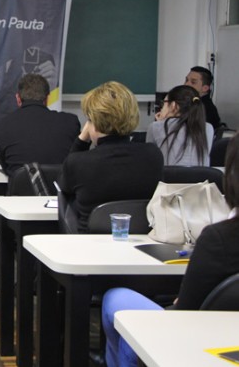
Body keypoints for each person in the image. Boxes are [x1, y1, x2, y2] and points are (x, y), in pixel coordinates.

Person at [101, 132, 239, 367]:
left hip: (195, 343)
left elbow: (184, 314)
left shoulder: (219, 239)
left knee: (116, 299)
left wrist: (177, 303)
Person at [58, 81, 164, 233]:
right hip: (140, 246)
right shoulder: (153, 156)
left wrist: (82, 139)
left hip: (88, 247)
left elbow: (63, 188)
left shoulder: (79, 162)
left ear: (94, 122)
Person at [0, 73, 80, 176]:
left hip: (20, 190)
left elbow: (7, 168)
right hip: (61, 190)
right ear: (47, 99)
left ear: (18, 99)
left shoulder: (2, 125)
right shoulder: (70, 122)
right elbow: (76, 161)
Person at [147, 84, 213, 166]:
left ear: (174, 105)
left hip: (168, 178)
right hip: (201, 178)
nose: (161, 108)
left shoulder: (155, 127)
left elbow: (150, 159)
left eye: (163, 103)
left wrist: (159, 124)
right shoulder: (208, 128)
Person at [185, 65, 221, 131]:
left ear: (205, 88)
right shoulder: (191, 103)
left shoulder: (205, 109)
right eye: (186, 80)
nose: (186, 84)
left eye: (193, 82)